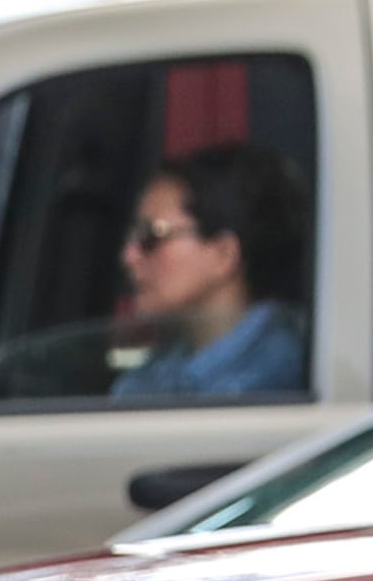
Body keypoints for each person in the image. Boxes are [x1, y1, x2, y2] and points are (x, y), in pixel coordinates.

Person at [110, 139, 310, 401]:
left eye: (151, 236)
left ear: (223, 254)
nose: (129, 256)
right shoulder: (164, 367)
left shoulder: (273, 379)